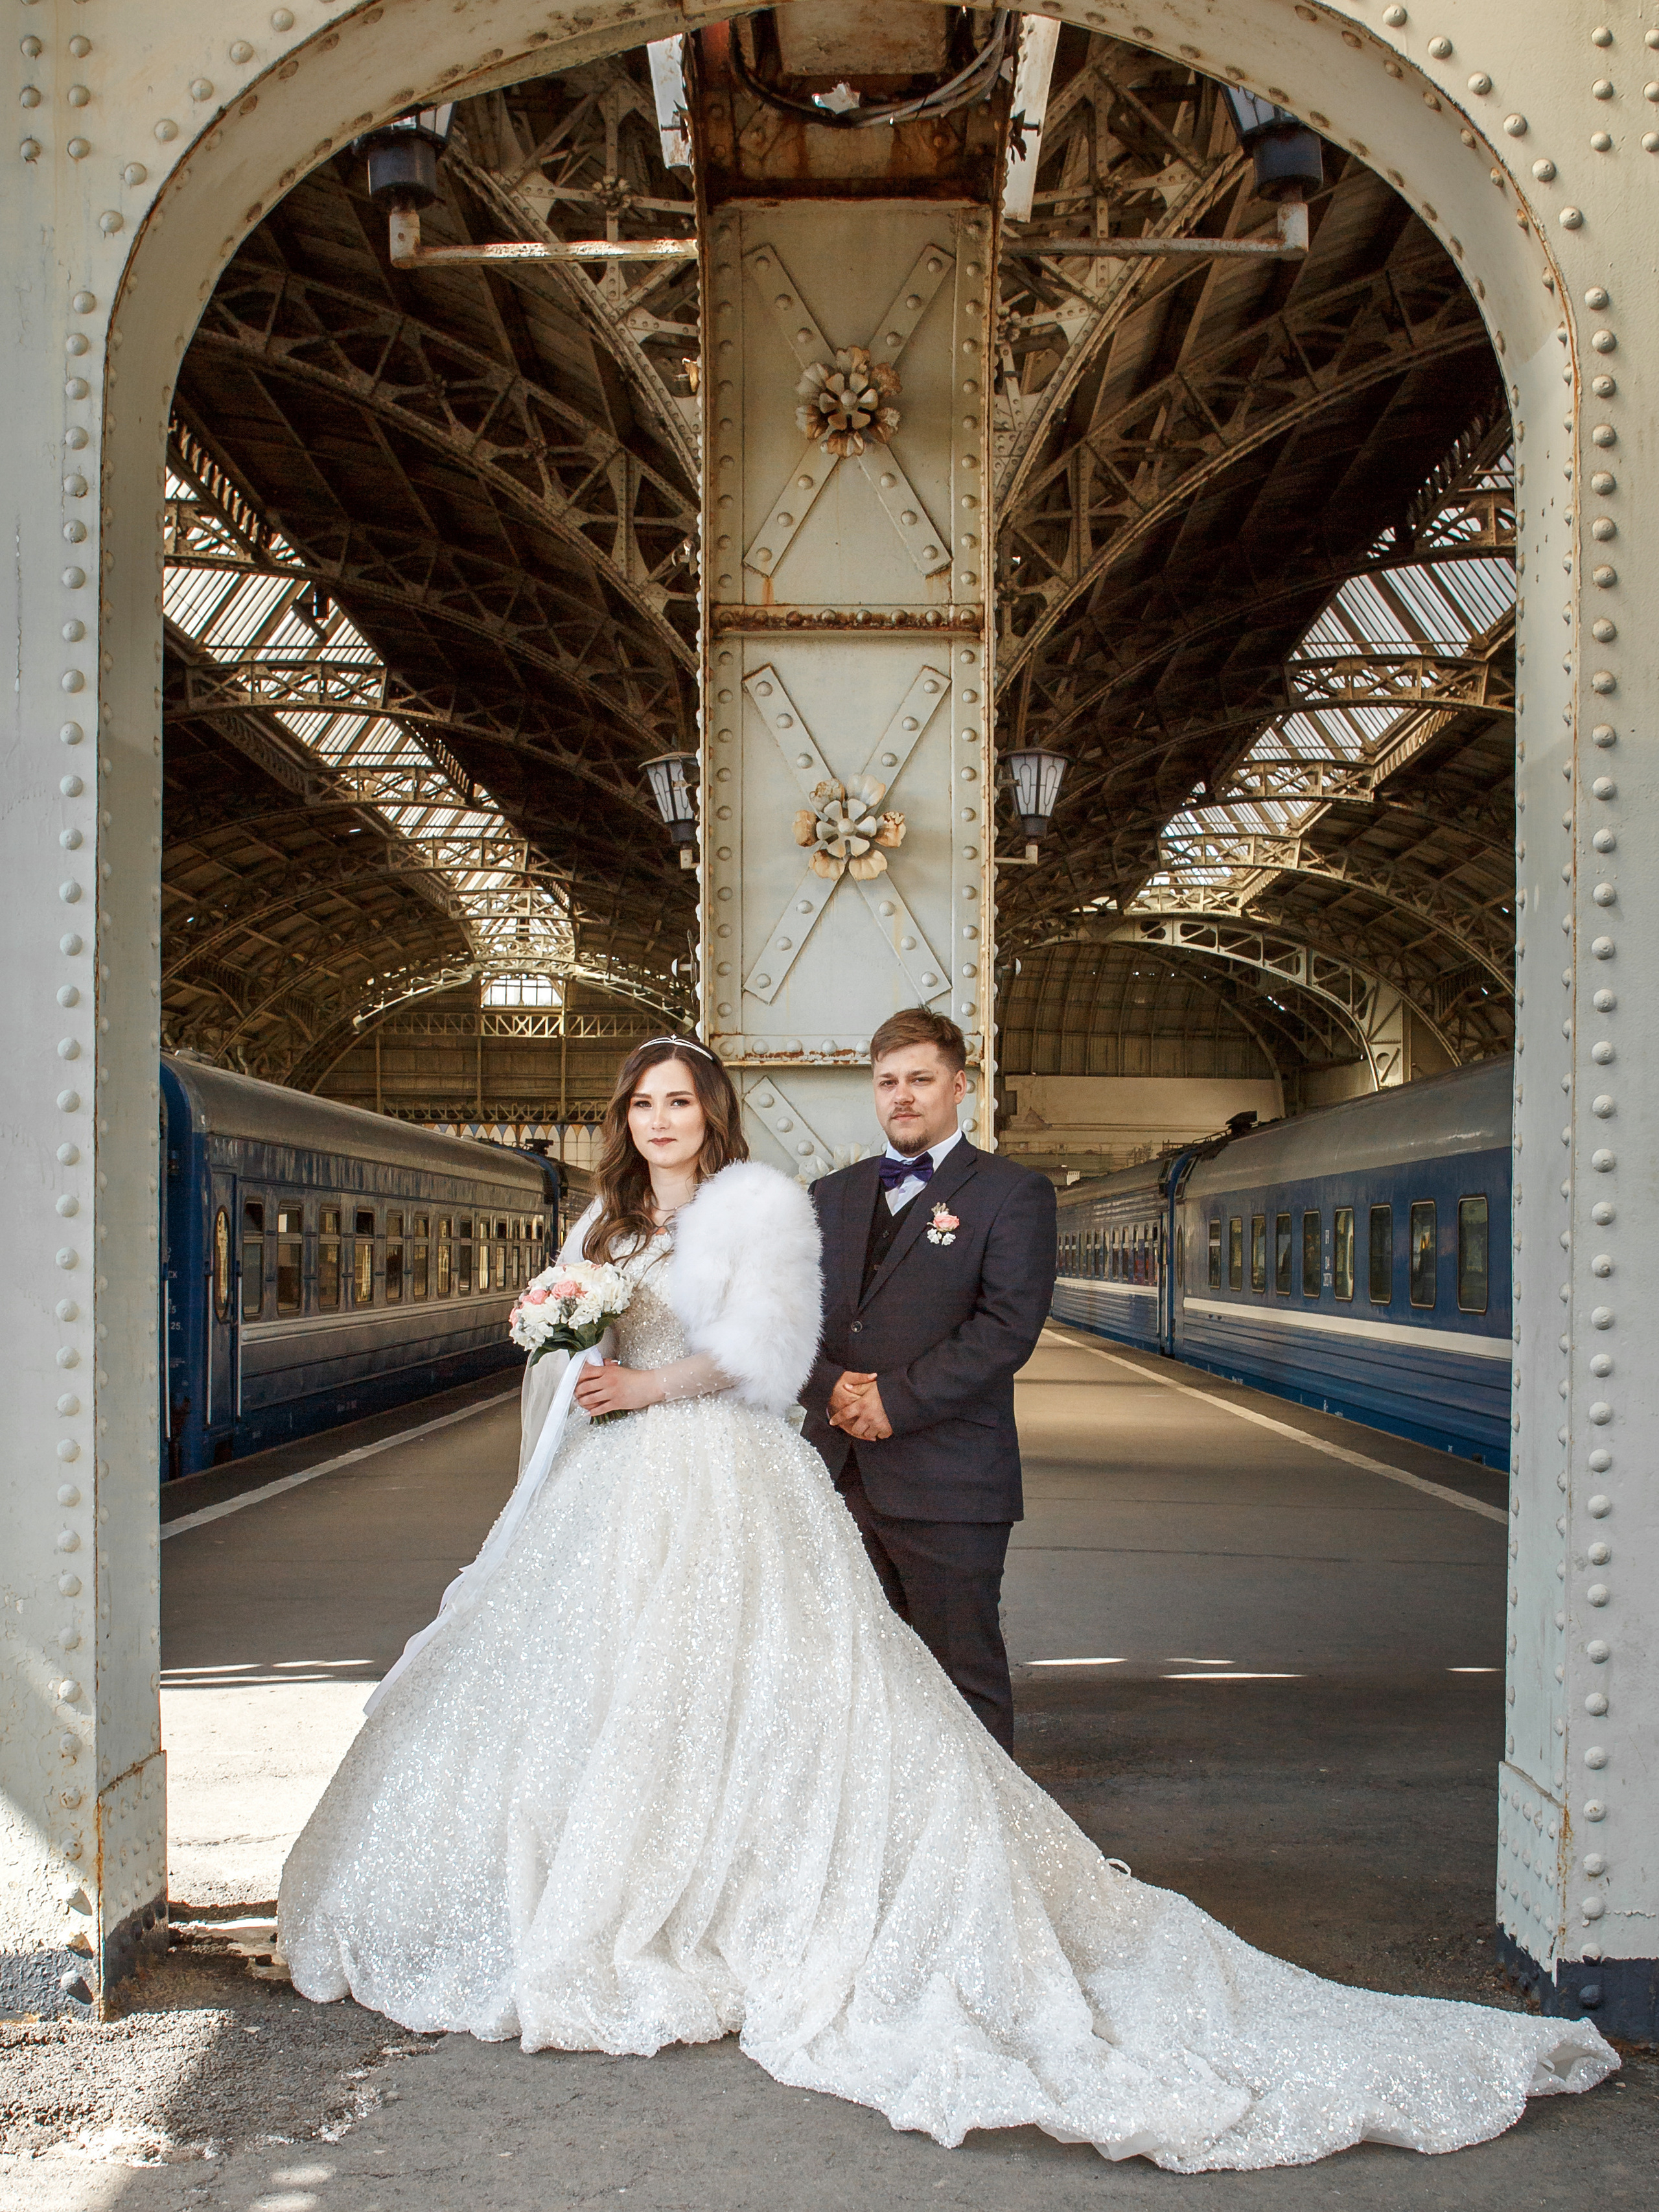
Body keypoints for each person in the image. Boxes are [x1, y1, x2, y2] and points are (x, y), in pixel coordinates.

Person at [279, 1036, 1616, 2171]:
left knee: (780, 1691)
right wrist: (573, 1345)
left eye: (679, 1099)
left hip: (719, 1473)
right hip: (612, 1489)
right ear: (623, 1121)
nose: (661, 1118)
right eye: (642, 1102)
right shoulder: (599, 1226)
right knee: (619, 1692)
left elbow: (762, 1353)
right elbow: (571, 1341)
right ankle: (613, 1891)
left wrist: (643, 1382)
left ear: (711, 1114)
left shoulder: (751, 1209)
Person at [800, 1008, 1056, 1751]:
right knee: (852, 1677)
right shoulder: (828, 1195)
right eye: (887, 1081)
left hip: (951, 1482)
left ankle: (984, 1853)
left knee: (961, 1676)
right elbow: (790, 1321)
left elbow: (1006, 1328)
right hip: (836, 1472)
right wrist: (829, 1390)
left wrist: (892, 1400)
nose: (902, 1095)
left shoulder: (1012, 1193)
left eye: (920, 1078)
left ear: (960, 1085)